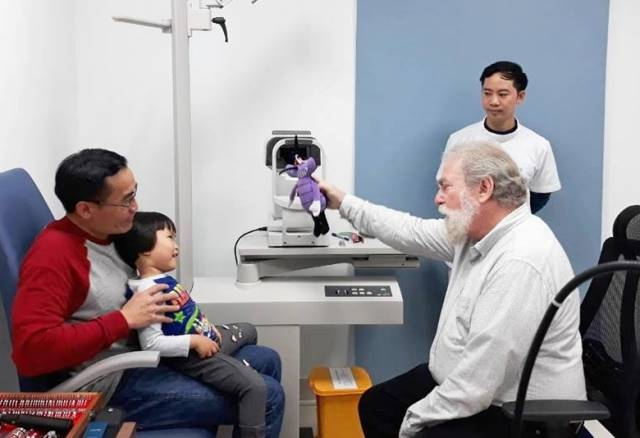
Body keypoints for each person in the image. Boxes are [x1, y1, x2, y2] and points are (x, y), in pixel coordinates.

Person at [318, 141, 585, 437]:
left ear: (484, 189)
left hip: (517, 412)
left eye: (445, 187)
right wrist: (342, 202)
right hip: (469, 385)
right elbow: (409, 230)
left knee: (413, 427)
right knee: (377, 406)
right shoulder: (477, 233)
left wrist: (413, 423)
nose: (437, 198)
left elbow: (478, 384)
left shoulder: (520, 261)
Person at [11, 148, 284, 436]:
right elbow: (31, 350)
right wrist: (124, 320)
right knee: (269, 397)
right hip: (108, 382)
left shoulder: (113, 233)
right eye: (126, 201)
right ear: (85, 209)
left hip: (145, 353)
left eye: (134, 194)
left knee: (266, 358)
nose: (135, 207)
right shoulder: (53, 256)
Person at [112, 211, 267, 438]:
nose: (176, 245)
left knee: (248, 329)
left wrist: (207, 327)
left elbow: (186, 313)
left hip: (205, 337)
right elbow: (152, 343)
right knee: (255, 387)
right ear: (144, 248)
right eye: (169, 237)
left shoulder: (160, 279)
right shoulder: (148, 292)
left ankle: (228, 366)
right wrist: (195, 341)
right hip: (192, 357)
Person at [442, 61, 561, 213]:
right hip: (468, 226)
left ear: (520, 97)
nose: (494, 101)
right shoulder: (459, 140)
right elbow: (447, 187)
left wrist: (510, 218)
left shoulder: (539, 145)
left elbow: (541, 194)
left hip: (515, 227)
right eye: (487, 93)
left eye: (502, 94)